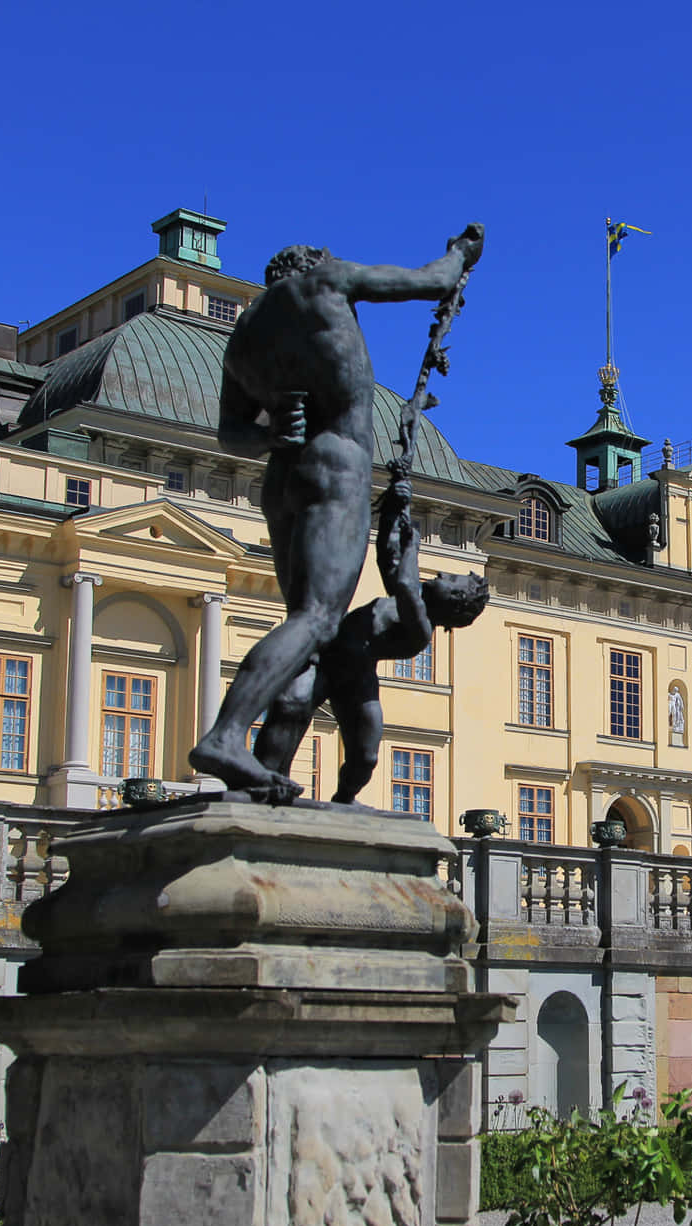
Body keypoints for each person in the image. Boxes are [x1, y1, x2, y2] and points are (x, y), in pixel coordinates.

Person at [188, 225, 484, 799]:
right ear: (315, 264)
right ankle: (225, 735)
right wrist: (462, 254)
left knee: (304, 628)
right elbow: (433, 281)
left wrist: (270, 434)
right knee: (318, 620)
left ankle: (258, 772)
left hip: (282, 478)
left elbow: (231, 433)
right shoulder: (328, 281)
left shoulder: (244, 337)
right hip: (336, 468)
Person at [252, 463, 488, 804]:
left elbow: (405, 583)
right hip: (326, 655)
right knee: (289, 707)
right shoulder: (402, 599)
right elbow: (387, 557)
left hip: (356, 678)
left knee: (365, 754)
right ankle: (266, 777)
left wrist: (413, 545)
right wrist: (394, 507)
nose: (440, 574)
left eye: (451, 580)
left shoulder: (420, 627)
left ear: (455, 602)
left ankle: (344, 799)